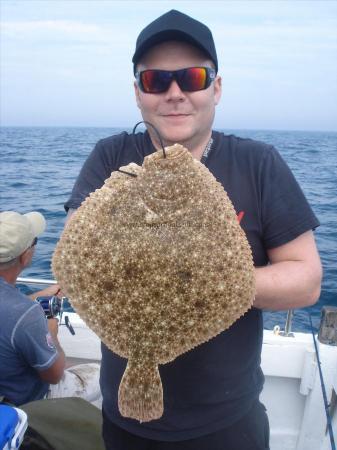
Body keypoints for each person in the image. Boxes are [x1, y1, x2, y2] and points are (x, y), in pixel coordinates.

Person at [64, 9, 322, 450]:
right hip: (122, 420)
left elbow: (307, 281)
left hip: (228, 421)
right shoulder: (111, 157)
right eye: (156, 81)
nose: (175, 93)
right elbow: (74, 254)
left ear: (216, 88)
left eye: (194, 77)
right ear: (138, 93)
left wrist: (205, 283)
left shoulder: (259, 164)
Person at [0, 210, 65, 406]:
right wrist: (52, 333)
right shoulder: (26, 314)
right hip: (21, 405)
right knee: (96, 374)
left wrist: (33, 298)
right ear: (25, 256)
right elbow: (54, 375)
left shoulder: (20, 309)